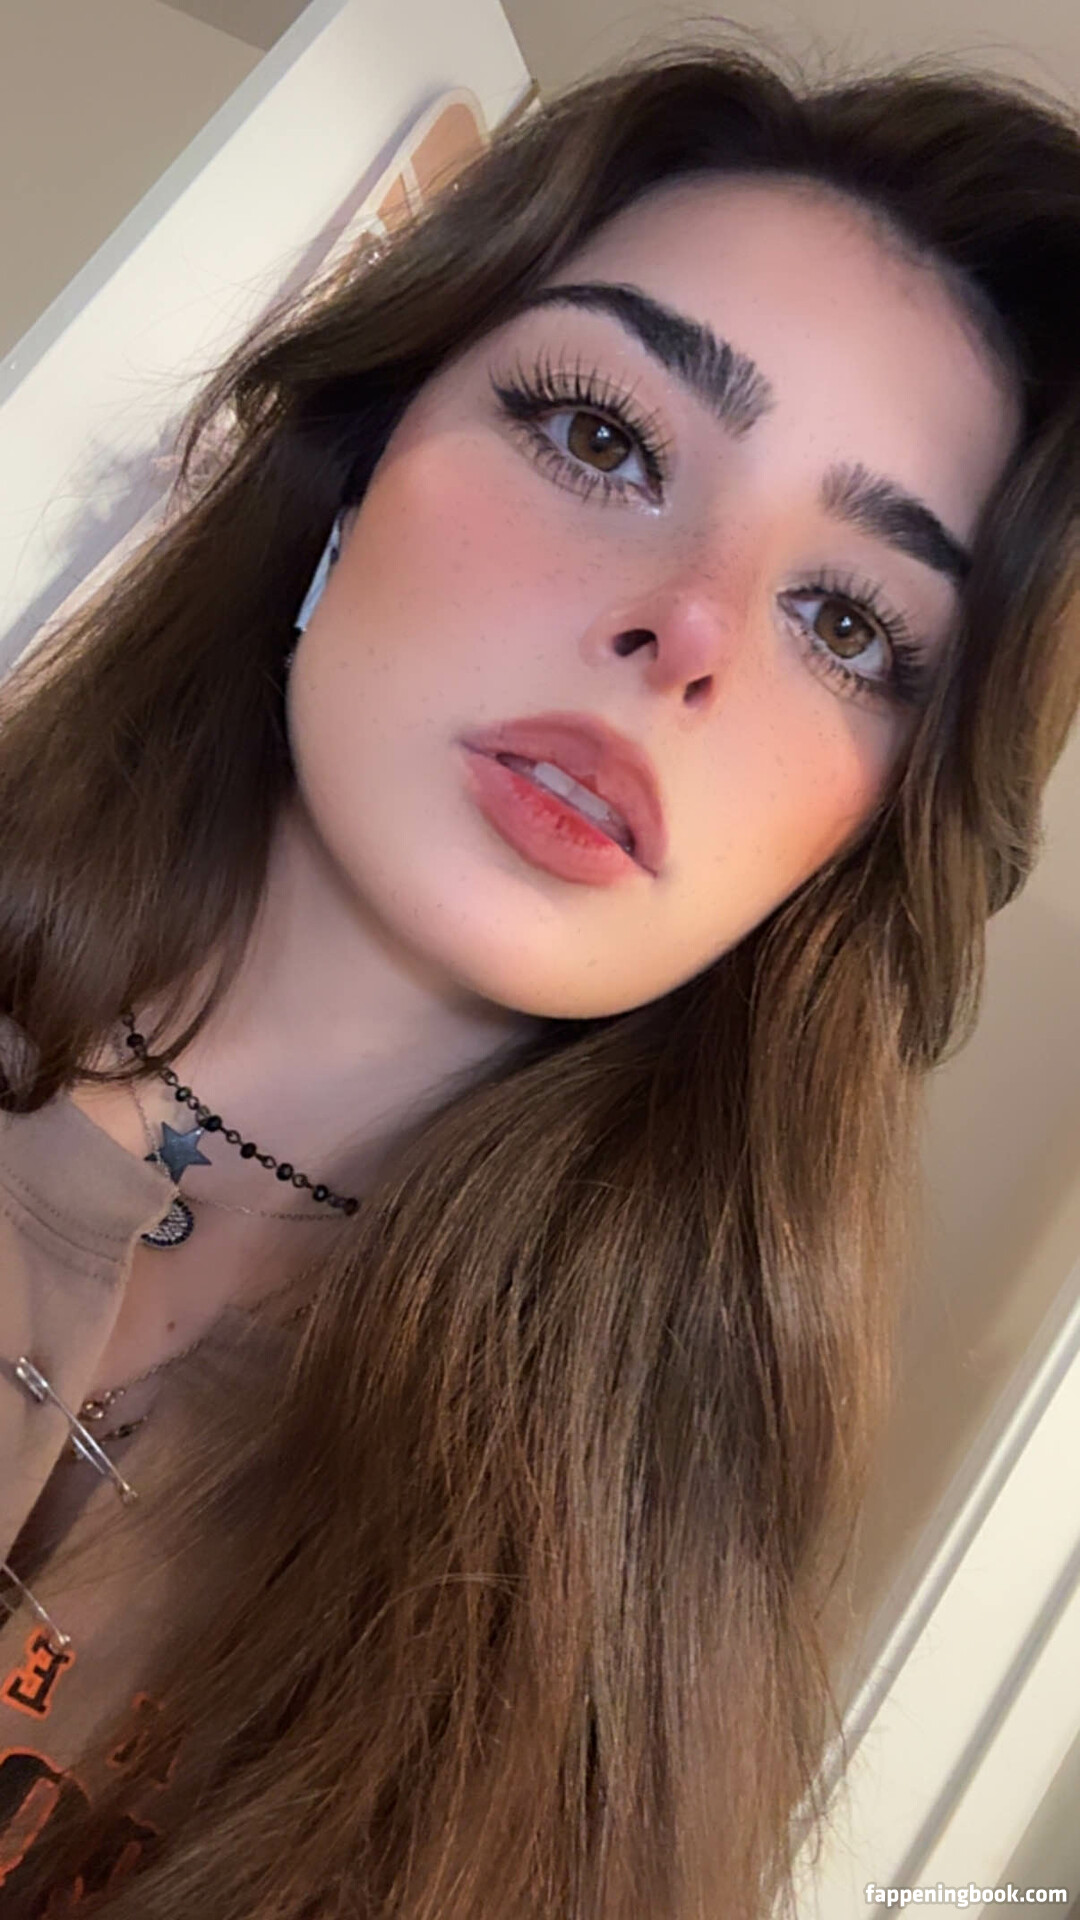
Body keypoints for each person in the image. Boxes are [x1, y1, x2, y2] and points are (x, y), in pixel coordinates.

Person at [0, 36, 1077, 1920]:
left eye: (848, 622)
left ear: (868, 834)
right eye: (603, 439)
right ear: (354, 477)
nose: (693, 627)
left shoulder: (618, 1647)